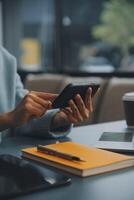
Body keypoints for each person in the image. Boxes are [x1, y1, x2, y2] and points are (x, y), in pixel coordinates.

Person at [0, 46, 93, 141]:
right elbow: (13, 118)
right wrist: (8, 119)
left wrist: (59, 119)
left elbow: (20, 119)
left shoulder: (6, 59)